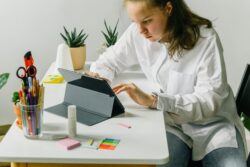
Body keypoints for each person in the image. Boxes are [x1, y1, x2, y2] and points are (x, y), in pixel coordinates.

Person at [89, 0, 247, 166]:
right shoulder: (138, 34)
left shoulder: (205, 39)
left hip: (213, 127)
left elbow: (209, 101)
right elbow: (108, 61)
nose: (141, 30)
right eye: (135, 22)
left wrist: (155, 101)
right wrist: (100, 78)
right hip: (172, 125)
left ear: (168, 8)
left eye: (147, 21)